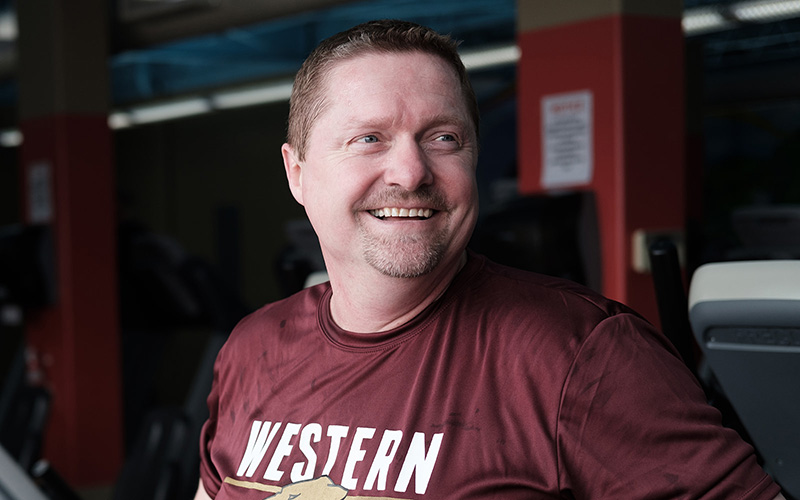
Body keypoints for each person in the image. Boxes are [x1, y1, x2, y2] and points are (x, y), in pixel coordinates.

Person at [194, 19, 786, 500]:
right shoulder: (251, 349)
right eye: (368, 138)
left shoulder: (585, 355)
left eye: (443, 138)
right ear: (297, 173)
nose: (411, 172)